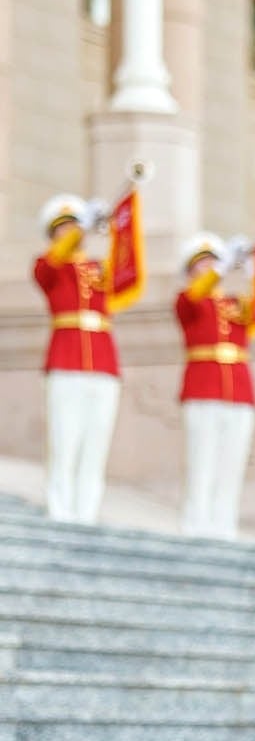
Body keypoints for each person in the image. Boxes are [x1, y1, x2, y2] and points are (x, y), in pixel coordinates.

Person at [32, 194, 119, 523]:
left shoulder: (98, 270)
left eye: (73, 226)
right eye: (63, 228)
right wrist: (80, 227)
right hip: (66, 359)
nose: (70, 233)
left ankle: (87, 510)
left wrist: (118, 226)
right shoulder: (47, 265)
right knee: (64, 439)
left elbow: (128, 272)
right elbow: (53, 261)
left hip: (103, 362)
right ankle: (60, 507)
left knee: (95, 442)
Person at [176, 232, 255, 539]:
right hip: (203, 387)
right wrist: (222, 269)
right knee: (202, 459)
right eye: (203, 263)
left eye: (214, 262)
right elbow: (196, 296)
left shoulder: (236, 305)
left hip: (238, 389)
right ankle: (195, 522)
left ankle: (224, 525)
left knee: (231, 463)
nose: (209, 268)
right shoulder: (188, 299)